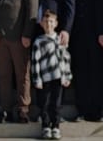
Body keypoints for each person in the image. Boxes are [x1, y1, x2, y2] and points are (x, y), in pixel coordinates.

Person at [30, 8, 73, 140]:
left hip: (58, 77)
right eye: (46, 21)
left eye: (51, 21)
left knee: (56, 104)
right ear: (42, 24)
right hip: (45, 78)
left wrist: (67, 76)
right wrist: (37, 79)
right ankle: (46, 126)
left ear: (56, 23)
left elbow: (66, 58)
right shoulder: (39, 41)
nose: (48, 24)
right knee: (45, 103)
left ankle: (56, 126)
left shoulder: (60, 39)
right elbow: (35, 61)